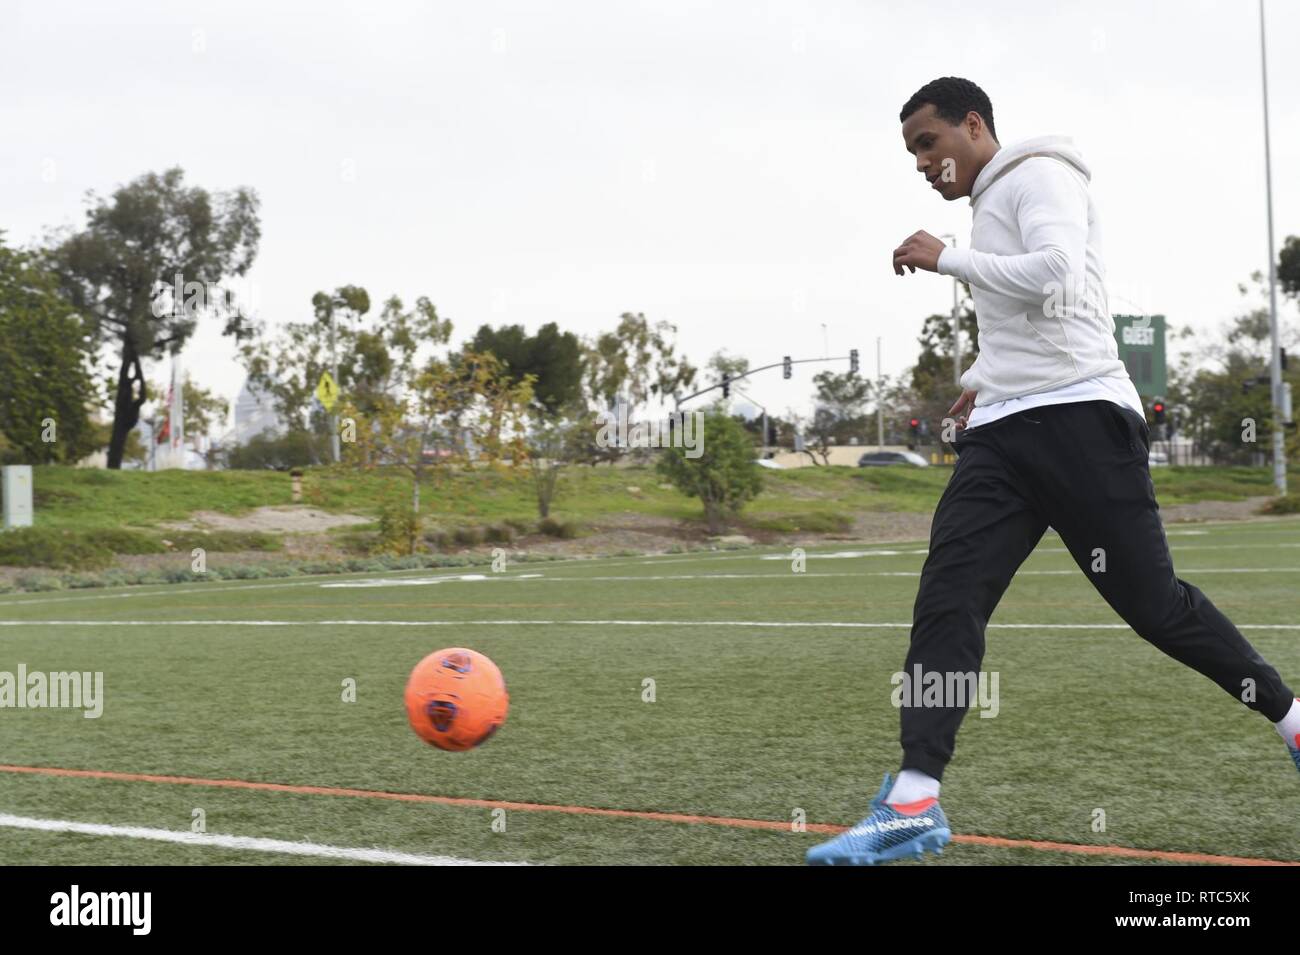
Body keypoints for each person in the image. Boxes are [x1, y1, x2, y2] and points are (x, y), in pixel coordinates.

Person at [805, 76, 1300, 866]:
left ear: (974, 125)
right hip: (1003, 436)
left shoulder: (1041, 174)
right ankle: (912, 796)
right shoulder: (986, 201)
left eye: (929, 144)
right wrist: (977, 385)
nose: (923, 165)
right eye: (912, 156)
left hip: (1082, 423)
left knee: (1155, 606)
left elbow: (1058, 273)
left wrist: (949, 260)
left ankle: (1292, 718)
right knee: (948, 596)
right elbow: (1025, 325)